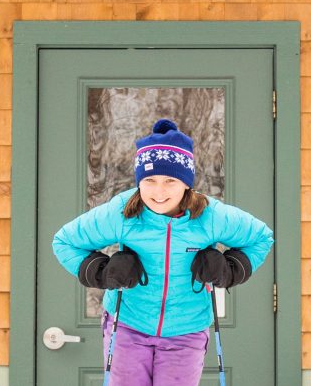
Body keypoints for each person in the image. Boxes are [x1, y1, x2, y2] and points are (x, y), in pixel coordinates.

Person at [52, 119, 274, 386]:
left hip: (186, 331)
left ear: (186, 183)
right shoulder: (122, 212)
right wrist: (103, 271)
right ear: (139, 181)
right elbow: (65, 242)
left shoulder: (209, 216)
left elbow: (261, 238)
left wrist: (230, 268)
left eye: (170, 180)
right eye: (150, 180)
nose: (159, 191)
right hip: (128, 326)